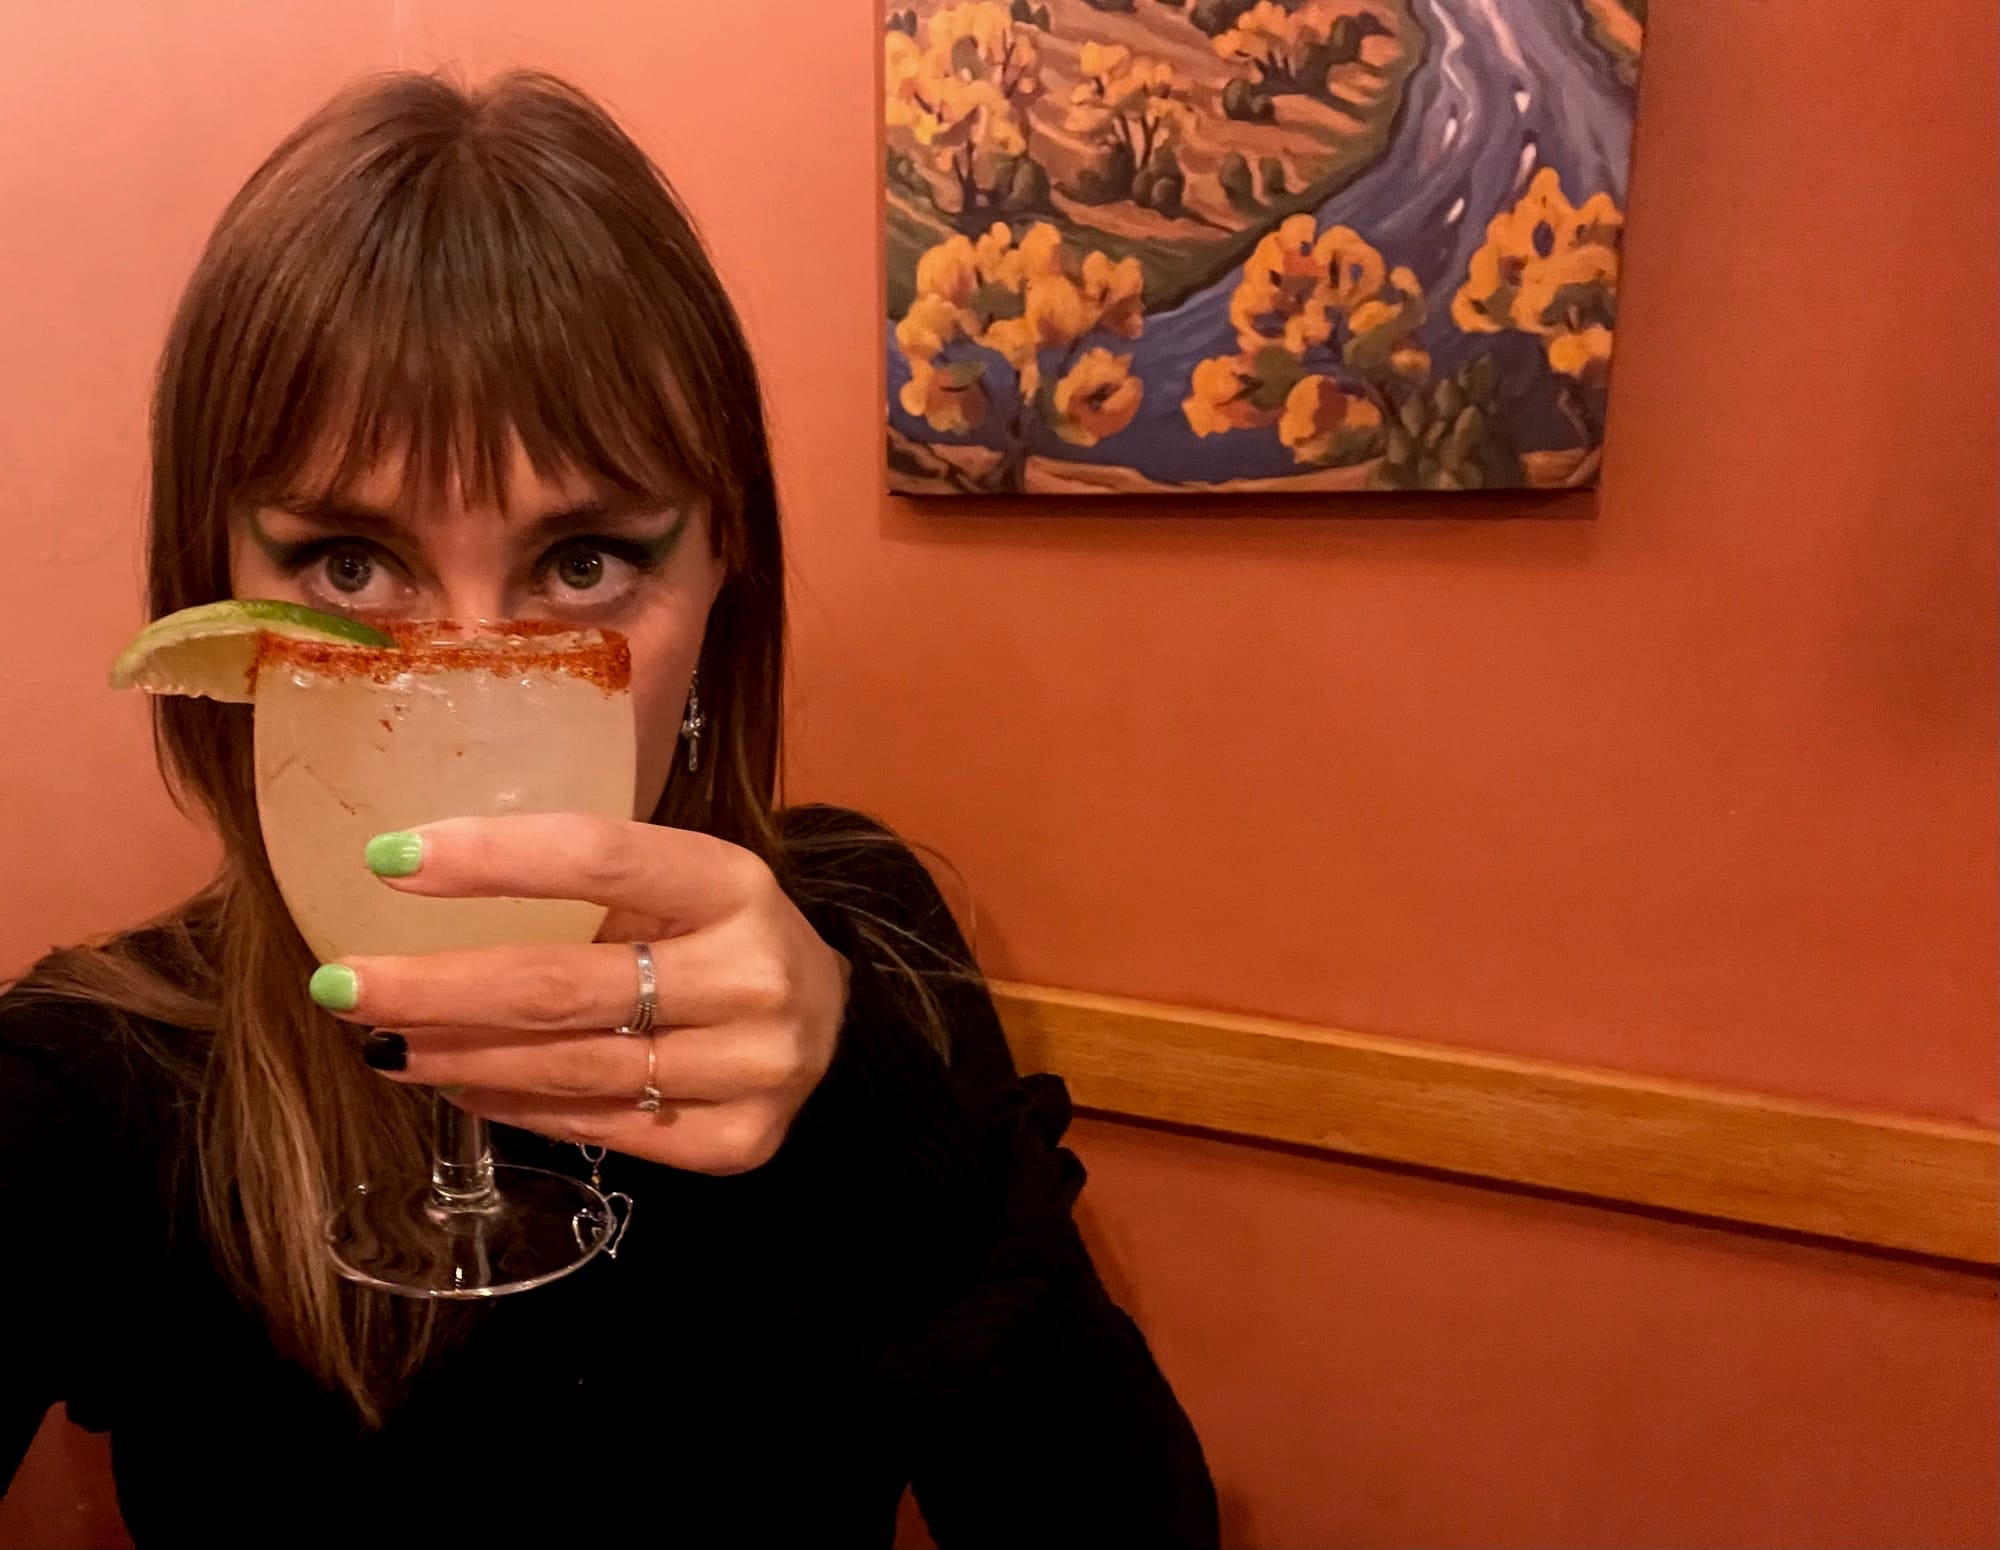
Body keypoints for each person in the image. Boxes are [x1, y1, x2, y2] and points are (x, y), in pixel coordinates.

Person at [0, 68, 1217, 1547]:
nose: (464, 676)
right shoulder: (96, 1078)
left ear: (723, 575)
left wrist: (861, 1109)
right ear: (221, 582)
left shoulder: (866, 937)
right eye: (344, 561)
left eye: (580, 562)